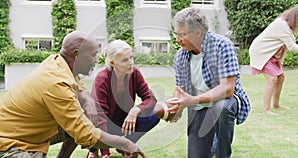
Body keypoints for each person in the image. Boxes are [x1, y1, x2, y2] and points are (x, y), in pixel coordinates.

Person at [0, 31, 146, 158]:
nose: (96, 60)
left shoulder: (57, 63)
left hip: (29, 133)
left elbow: (78, 87)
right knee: (79, 125)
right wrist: (125, 143)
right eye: (93, 55)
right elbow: (85, 134)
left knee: (80, 117)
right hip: (9, 143)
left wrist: (88, 100)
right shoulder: (56, 84)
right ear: (77, 54)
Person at [169, 7, 251, 158]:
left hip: (224, 101)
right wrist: (176, 109)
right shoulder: (180, 56)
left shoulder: (222, 46)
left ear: (198, 32)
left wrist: (193, 100)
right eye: (176, 34)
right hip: (199, 109)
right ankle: (211, 143)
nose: (177, 39)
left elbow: (227, 89)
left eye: (182, 35)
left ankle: (222, 153)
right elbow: (180, 90)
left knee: (221, 107)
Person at [86, 40, 160, 158]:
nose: (131, 62)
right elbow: (100, 117)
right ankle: (94, 149)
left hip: (123, 123)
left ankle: (125, 146)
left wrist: (135, 110)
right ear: (112, 63)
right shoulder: (102, 79)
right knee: (92, 119)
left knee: (155, 114)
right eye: (125, 60)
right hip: (102, 124)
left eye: (131, 57)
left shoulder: (134, 73)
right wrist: (105, 153)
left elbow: (150, 98)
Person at [249, 6, 298, 115]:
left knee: (280, 77)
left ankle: (276, 104)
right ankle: (266, 109)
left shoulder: (287, 27)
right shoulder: (281, 25)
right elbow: (292, 46)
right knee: (272, 79)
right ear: (296, 17)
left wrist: (280, 62)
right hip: (261, 52)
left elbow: (288, 45)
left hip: (270, 55)